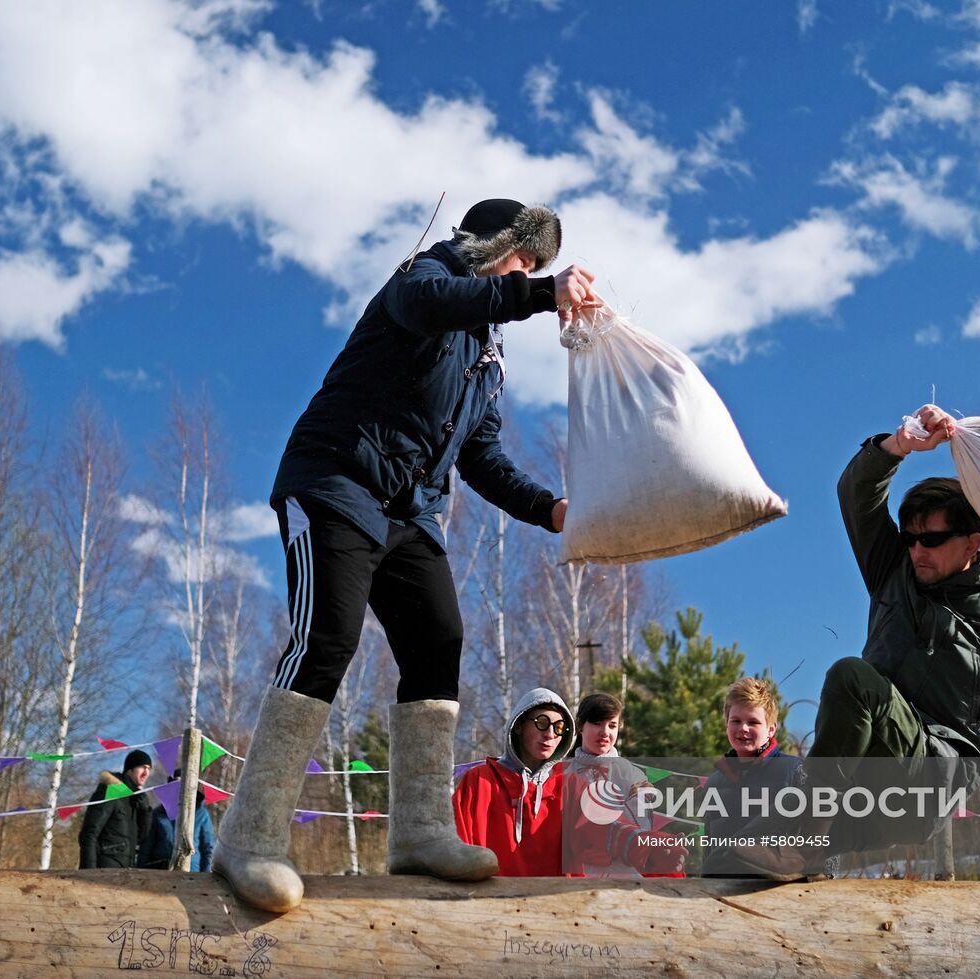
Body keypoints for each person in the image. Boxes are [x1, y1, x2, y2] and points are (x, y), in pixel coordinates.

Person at [213, 199, 599, 912]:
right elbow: (433, 302)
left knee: (438, 637)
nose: (525, 276)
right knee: (328, 636)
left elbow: (480, 454)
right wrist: (542, 295)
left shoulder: (486, 352)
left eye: (536, 271)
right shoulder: (428, 275)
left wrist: (551, 509)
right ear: (491, 247)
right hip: (334, 481)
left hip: (409, 510)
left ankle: (420, 833)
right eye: (522, 262)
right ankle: (250, 836)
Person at [768, 404, 980, 892]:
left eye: (931, 540)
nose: (916, 551)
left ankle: (807, 839)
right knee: (739, 841)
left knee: (853, 677)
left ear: (972, 542)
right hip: (866, 789)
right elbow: (855, 495)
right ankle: (808, 852)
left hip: (929, 780)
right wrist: (899, 446)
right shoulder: (893, 573)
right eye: (910, 539)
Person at [453, 687, 685, 877]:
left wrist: (645, 844)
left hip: (556, 908)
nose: (550, 734)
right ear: (520, 724)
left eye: (559, 727)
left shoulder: (569, 785)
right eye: (542, 722)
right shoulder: (480, 781)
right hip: (489, 906)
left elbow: (598, 828)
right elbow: (457, 843)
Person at [702, 677, 811, 878]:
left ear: (771, 729)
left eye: (753, 722)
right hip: (719, 896)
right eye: (736, 721)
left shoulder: (796, 771)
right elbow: (708, 846)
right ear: (727, 724)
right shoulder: (713, 784)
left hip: (777, 897)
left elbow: (823, 838)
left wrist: (825, 883)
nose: (743, 728)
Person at [569, 692, 654, 878]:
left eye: (612, 725)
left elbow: (642, 829)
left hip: (625, 879)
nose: (605, 732)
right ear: (580, 725)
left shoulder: (633, 775)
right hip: (574, 878)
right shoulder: (561, 773)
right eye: (597, 723)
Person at [78, 749, 153, 869]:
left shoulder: (135, 799)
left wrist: (145, 811)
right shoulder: (111, 791)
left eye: (149, 769)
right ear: (130, 769)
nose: (146, 773)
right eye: (143, 767)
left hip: (126, 870)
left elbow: (140, 838)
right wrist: (89, 872)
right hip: (104, 869)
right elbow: (89, 833)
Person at [138, 770, 216, 871]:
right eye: (175, 784)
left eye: (183, 784)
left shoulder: (201, 815)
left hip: (192, 874)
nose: (179, 788)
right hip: (161, 872)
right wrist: (140, 872)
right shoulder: (157, 814)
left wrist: (206, 876)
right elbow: (146, 847)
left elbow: (208, 848)